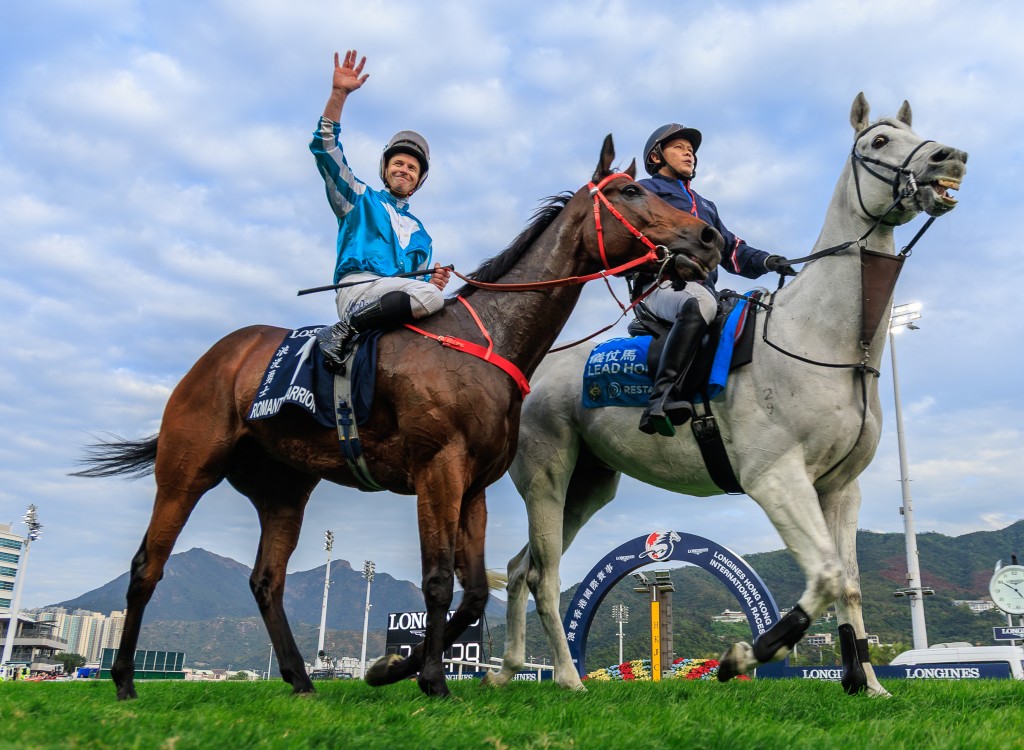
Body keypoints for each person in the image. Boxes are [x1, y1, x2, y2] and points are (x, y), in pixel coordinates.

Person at [634, 123, 796, 437]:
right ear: (656, 157)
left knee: (742, 307)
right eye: (679, 147)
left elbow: (732, 249)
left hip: (701, 286)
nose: (688, 153)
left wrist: (768, 260)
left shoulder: (706, 205)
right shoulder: (645, 192)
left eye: (691, 150)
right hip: (659, 286)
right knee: (702, 302)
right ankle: (661, 398)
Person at [310, 50, 451, 370]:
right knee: (433, 300)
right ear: (385, 169)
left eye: (412, 168)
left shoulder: (423, 237)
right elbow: (325, 148)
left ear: (418, 180)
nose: (404, 169)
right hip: (357, 291)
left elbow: (414, 293)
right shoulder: (358, 197)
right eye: (398, 163)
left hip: (394, 299)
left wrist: (434, 283)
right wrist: (338, 95)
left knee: (441, 307)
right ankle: (341, 331)